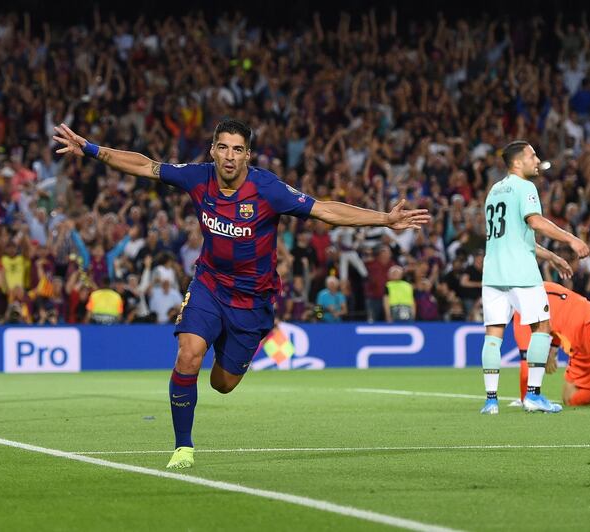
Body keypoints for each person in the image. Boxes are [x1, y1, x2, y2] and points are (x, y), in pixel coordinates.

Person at [54, 118, 430, 469]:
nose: (230, 156)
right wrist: (91, 149)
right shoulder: (198, 178)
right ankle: (183, 446)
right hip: (209, 285)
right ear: (212, 151)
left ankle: (228, 351)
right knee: (188, 355)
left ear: (248, 154)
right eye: (223, 147)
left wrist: (384, 219)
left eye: (237, 149)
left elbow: (325, 211)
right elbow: (146, 166)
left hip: (253, 301)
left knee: (222, 384)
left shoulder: (268, 189)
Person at [480, 140, 589, 415]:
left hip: (492, 271)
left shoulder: (494, 191)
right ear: (518, 162)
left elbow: (513, 238)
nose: (537, 160)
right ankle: (533, 396)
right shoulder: (525, 187)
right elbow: (535, 222)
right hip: (520, 271)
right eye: (532, 155)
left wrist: (551, 256)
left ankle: (491, 401)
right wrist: (572, 239)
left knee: (493, 335)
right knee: (542, 326)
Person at [512, 282, 590, 407]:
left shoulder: (521, 308)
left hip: (588, 333)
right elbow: (560, 313)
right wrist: (553, 348)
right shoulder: (546, 286)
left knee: (570, 398)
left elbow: (526, 368)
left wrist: (525, 398)